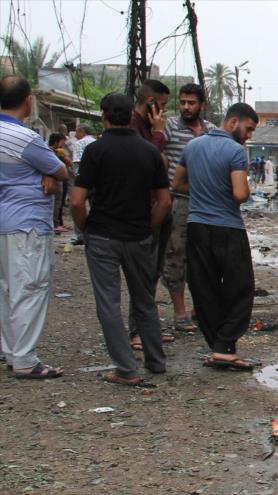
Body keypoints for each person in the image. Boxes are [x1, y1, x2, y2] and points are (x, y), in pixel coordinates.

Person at [71, 93, 171, 386]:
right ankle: (156, 360)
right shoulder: (149, 151)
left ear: (104, 116)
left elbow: (77, 201)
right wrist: (149, 228)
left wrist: (85, 228)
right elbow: (164, 202)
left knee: (108, 304)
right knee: (144, 300)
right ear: (130, 116)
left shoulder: (95, 151)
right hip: (139, 236)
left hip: (102, 235)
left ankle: (126, 368)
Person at [172, 103, 259, 371]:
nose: (248, 136)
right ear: (233, 122)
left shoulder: (192, 147)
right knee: (240, 286)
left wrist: (202, 191)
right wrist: (227, 190)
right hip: (227, 227)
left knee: (203, 286)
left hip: (197, 225)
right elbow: (240, 194)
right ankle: (225, 344)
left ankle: (218, 347)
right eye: (248, 129)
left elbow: (177, 184)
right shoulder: (235, 152)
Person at [0, 75, 67, 379]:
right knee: (30, 286)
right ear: (28, 100)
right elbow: (60, 169)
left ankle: (12, 351)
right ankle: (25, 358)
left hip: (4, 221)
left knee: (6, 289)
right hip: (26, 223)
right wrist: (49, 175)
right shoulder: (24, 138)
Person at [162, 83, 216, 333]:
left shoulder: (212, 132)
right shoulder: (170, 127)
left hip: (206, 203)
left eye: (191, 103)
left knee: (204, 257)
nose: (185, 107)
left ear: (201, 106)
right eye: (182, 102)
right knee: (176, 254)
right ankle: (179, 311)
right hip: (179, 201)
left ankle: (200, 308)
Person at [128, 79, 174, 350]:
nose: (165, 112)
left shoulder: (148, 127)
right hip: (145, 209)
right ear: (150, 103)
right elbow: (147, 162)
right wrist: (158, 134)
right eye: (163, 106)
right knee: (143, 274)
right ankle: (138, 331)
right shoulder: (135, 127)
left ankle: (147, 328)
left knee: (153, 273)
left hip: (159, 206)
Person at [70, 124, 96, 245]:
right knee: (94, 206)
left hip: (83, 180)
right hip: (97, 180)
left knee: (77, 205)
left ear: (81, 131)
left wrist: (77, 181)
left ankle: (81, 235)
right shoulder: (96, 142)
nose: (75, 135)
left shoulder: (79, 143)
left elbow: (77, 164)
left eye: (76, 132)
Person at [47, 133, 74, 234]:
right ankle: (56, 225)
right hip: (57, 181)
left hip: (52, 181)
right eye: (62, 141)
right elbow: (69, 163)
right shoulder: (58, 152)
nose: (63, 143)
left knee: (56, 202)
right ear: (56, 141)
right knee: (57, 202)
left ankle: (57, 223)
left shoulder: (47, 150)